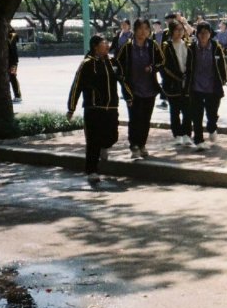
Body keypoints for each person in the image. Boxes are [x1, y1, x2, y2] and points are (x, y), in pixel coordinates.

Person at [67, 34, 127, 186]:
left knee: (112, 136)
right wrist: (71, 108)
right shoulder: (87, 64)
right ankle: (92, 171)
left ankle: (104, 147)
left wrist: (129, 96)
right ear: (95, 46)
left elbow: (123, 80)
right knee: (93, 141)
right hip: (93, 108)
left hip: (111, 107)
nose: (107, 45)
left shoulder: (113, 62)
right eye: (104, 43)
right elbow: (76, 86)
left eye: (107, 42)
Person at [115, 18, 164, 159]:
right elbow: (118, 67)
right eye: (140, 28)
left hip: (149, 89)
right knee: (135, 118)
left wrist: (153, 68)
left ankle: (142, 144)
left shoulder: (152, 45)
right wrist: (125, 86)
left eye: (146, 29)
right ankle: (134, 145)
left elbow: (162, 62)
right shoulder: (127, 47)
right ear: (135, 30)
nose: (143, 32)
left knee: (145, 119)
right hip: (133, 90)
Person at [188, 21, 227, 149]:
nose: (203, 35)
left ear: (210, 34)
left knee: (212, 114)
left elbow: (222, 65)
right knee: (197, 115)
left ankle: (211, 128)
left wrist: (223, 79)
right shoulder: (191, 48)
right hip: (196, 87)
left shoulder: (216, 47)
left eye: (206, 32)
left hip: (212, 87)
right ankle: (198, 140)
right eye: (201, 33)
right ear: (197, 34)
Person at [159, 19, 194, 147]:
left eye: (181, 30)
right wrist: (176, 78)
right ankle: (177, 135)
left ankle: (186, 135)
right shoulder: (166, 46)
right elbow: (163, 66)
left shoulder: (188, 45)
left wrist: (188, 77)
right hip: (173, 84)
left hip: (187, 84)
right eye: (176, 30)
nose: (179, 32)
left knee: (188, 111)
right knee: (175, 111)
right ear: (171, 31)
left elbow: (191, 64)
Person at [7, 26, 22, 103]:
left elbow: (14, 38)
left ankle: (18, 95)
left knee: (12, 76)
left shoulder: (12, 35)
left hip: (13, 61)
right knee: (9, 77)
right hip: (6, 61)